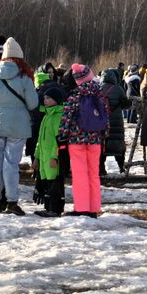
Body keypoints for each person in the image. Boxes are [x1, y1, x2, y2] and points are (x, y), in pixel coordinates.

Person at [0, 38, 38, 215]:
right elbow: (32, 103)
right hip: (17, 125)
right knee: (11, 163)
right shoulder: (24, 77)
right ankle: (12, 201)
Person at [61, 64, 109, 217]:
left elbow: (66, 118)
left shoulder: (75, 95)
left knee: (80, 174)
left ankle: (82, 208)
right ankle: (94, 208)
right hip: (95, 140)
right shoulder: (100, 94)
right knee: (94, 175)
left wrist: (63, 135)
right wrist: (103, 136)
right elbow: (106, 117)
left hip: (77, 140)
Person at [32, 84, 68, 218]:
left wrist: (55, 157)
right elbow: (40, 140)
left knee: (55, 183)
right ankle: (48, 207)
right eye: (44, 98)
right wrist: (37, 157)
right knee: (46, 183)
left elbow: (58, 141)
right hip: (43, 157)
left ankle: (55, 208)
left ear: (56, 100)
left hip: (52, 158)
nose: (45, 100)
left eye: (48, 98)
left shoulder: (58, 117)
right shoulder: (46, 116)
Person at [97, 68, 128, 177]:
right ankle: (121, 167)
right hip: (117, 121)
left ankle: (101, 168)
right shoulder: (119, 88)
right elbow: (125, 104)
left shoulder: (98, 88)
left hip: (102, 121)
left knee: (102, 144)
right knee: (118, 142)